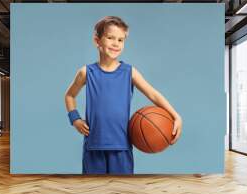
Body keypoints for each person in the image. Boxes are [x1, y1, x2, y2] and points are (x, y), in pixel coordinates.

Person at [64, 16, 182, 175]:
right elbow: (69, 95)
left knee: (122, 192)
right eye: (110, 38)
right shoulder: (86, 72)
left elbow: (153, 94)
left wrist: (176, 116)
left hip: (122, 147)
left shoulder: (129, 72)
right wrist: (75, 119)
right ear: (97, 41)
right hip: (93, 146)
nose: (115, 43)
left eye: (120, 40)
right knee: (93, 193)